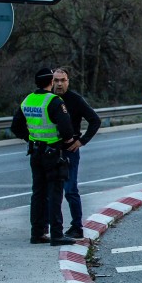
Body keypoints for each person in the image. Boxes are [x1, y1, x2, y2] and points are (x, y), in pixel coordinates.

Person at [10, 68, 77, 246]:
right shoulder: (54, 101)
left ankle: (37, 233)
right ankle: (56, 234)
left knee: (38, 193)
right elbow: (66, 129)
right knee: (55, 194)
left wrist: (30, 137)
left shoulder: (28, 99)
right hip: (53, 152)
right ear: (51, 82)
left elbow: (15, 126)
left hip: (35, 152)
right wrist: (69, 141)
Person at [50, 67, 101, 239]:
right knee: (50, 190)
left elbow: (95, 120)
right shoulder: (46, 99)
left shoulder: (75, 100)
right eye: (56, 80)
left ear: (68, 81)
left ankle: (76, 226)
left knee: (70, 189)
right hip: (49, 150)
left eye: (62, 80)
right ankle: (49, 226)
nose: (59, 84)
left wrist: (82, 141)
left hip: (70, 150)